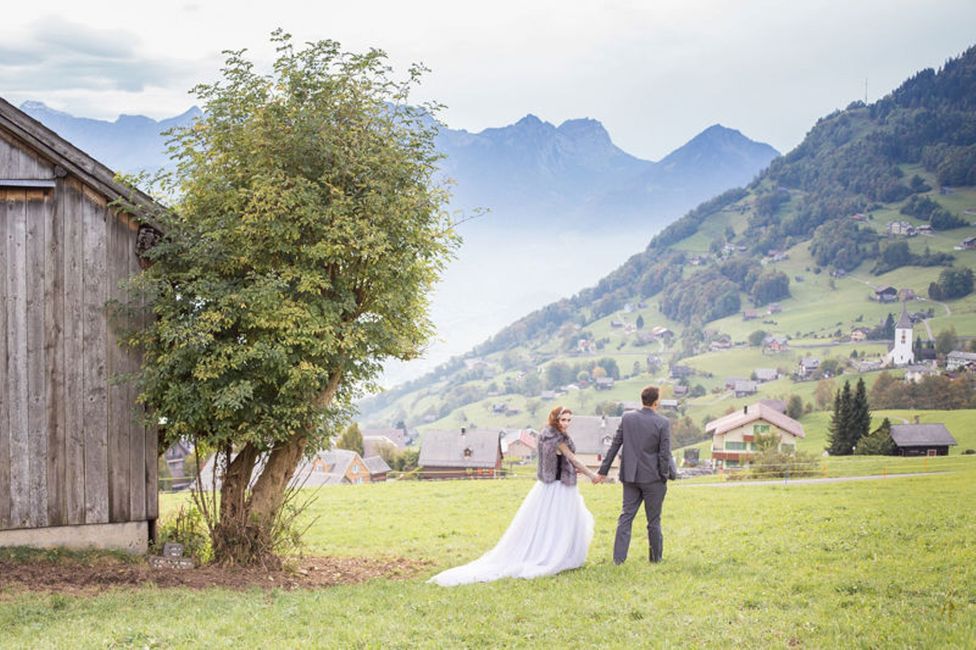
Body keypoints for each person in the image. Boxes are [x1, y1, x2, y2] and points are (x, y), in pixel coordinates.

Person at [428, 406, 600, 586]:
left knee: (550, 524)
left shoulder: (544, 435)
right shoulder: (557, 439)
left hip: (548, 486)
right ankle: (555, 555)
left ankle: (554, 552)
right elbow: (573, 459)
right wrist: (592, 475)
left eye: (569, 420)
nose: (566, 423)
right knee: (559, 523)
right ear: (555, 419)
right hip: (558, 487)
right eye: (563, 419)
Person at [597, 385, 672, 564]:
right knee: (653, 521)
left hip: (630, 477)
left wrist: (603, 471)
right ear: (656, 402)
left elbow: (615, 445)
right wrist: (664, 475)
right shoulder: (662, 422)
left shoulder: (627, 417)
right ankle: (655, 559)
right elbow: (664, 454)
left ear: (642, 399)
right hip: (653, 478)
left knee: (626, 517)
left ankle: (618, 560)